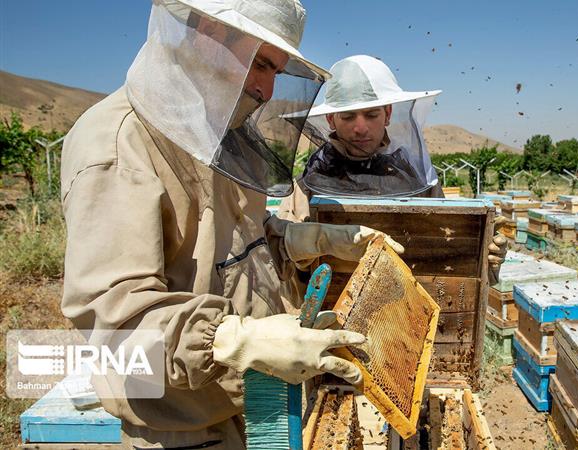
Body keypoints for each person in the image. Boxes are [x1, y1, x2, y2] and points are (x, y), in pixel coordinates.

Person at [59, 1, 399, 447]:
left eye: (277, 71)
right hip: (179, 426)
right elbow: (112, 323)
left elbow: (242, 242)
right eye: (260, 64)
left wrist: (309, 238)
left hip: (253, 399)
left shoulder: (217, 130)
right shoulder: (119, 145)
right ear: (204, 33)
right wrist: (237, 341)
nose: (266, 88)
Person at [279, 55, 507, 274]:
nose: (360, 128)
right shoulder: (303, 189)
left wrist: (483, 256)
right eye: (348, 116)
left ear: (387, 114)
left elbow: (444, 252)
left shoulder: (419, 182)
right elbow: (282, 265)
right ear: (331, 120)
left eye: (371, 115)